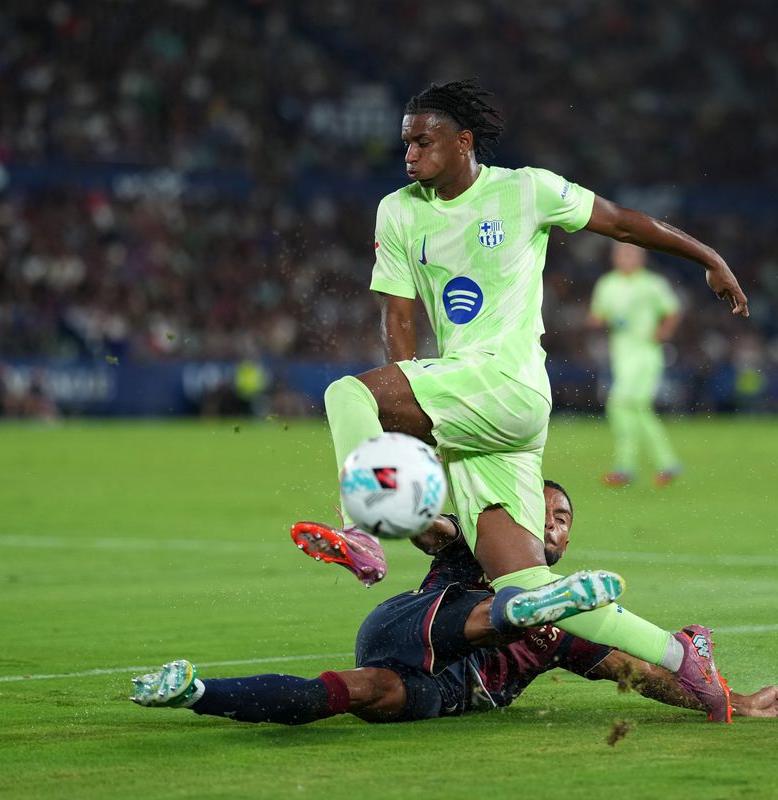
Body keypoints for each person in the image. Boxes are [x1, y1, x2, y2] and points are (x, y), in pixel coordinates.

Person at [299, 80, 749, 720]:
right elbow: (397, 318)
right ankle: (682, 654)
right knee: (526, 587)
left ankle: (358, 531)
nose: (409, 154)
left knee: (346, 393)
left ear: (463, 141)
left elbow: (622, 221)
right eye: (406, 143)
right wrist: (415, 421)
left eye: (423, 141)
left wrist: (709, 257)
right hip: (475, 407)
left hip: (506, 382)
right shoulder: (397, 211)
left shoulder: (526, 190)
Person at [133, 482, 778, 724]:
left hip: (442, 690)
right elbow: (436, 530)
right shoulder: (475, 547)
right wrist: (397, 514)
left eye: (564, 518)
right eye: (542, 511)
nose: (553, 524)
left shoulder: (578, 627)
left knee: (353, 693)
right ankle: (511, 606)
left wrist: (736, 701)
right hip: (410, 625)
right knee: (499, 609)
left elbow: (641, 674)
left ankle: (193, 693)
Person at [587, 242, 683, 488]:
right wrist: (596, 320)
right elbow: (597, 316)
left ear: (641, 257)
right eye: (622, 254)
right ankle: (667, 464)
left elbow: (673, 311)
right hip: (621, 355)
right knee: (637, 408)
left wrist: (662, 332)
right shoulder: (607, 284)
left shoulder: (652, 284)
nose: (626, 258)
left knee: (619, 404)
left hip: (645, 354)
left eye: (631, 254)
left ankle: (625, 467)